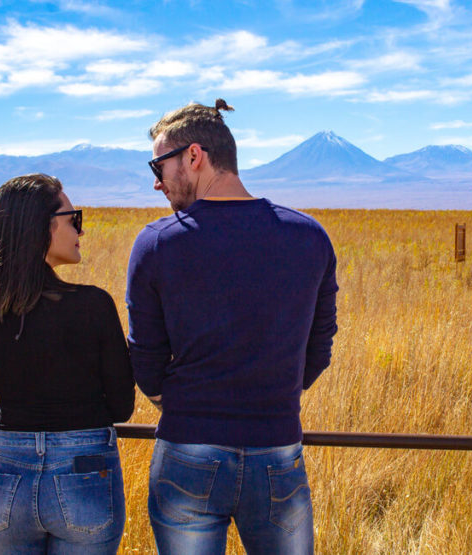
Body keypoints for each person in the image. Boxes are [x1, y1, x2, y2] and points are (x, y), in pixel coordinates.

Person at [126, 100, 338, 555]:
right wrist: (266, 397)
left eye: (159, 165)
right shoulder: (309, 237)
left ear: (194, 156)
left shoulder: (157, 244)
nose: (156, 181)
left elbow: (144, 361)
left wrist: (185, 403)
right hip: (277, 452)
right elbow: (318, 350)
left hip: (187, 454)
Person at [0, 173, 134, 555]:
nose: (81, 229)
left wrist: (20, 418)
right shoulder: (94, 305)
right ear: (42, 228)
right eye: (73, 218)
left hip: (8, 478)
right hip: (84, 474)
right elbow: (121, 407)